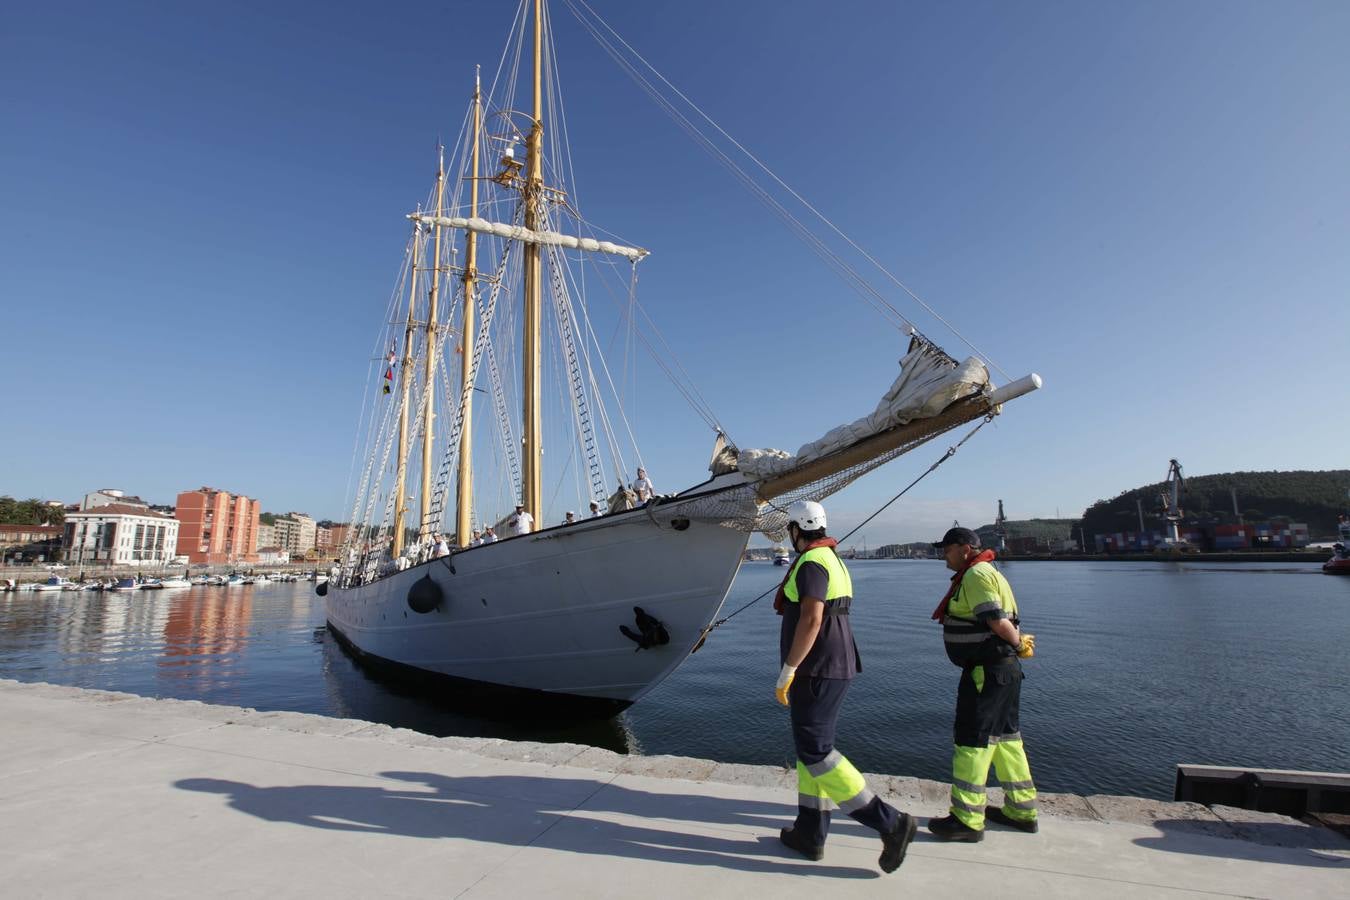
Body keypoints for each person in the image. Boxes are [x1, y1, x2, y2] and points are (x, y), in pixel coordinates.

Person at [773, 499, 917, 872]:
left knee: (817, 753)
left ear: (794, 530)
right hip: (833, 665)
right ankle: (810, 833)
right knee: (810, 752)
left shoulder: (811, 563)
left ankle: (891, 823)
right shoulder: (832, 558)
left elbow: (811, 618)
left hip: (816, 668)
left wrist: (789, 667)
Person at [927, 526, 1038, 842]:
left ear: (964, 548)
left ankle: (966, 820)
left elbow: (997, 621)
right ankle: (1021, 811)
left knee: (972, 742)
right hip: (1003, 671)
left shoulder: (975, 576)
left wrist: (1017, 645)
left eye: (946, 549)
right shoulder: (988, 572)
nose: (943, 555)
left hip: (986, 672)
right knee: (1006, 740)